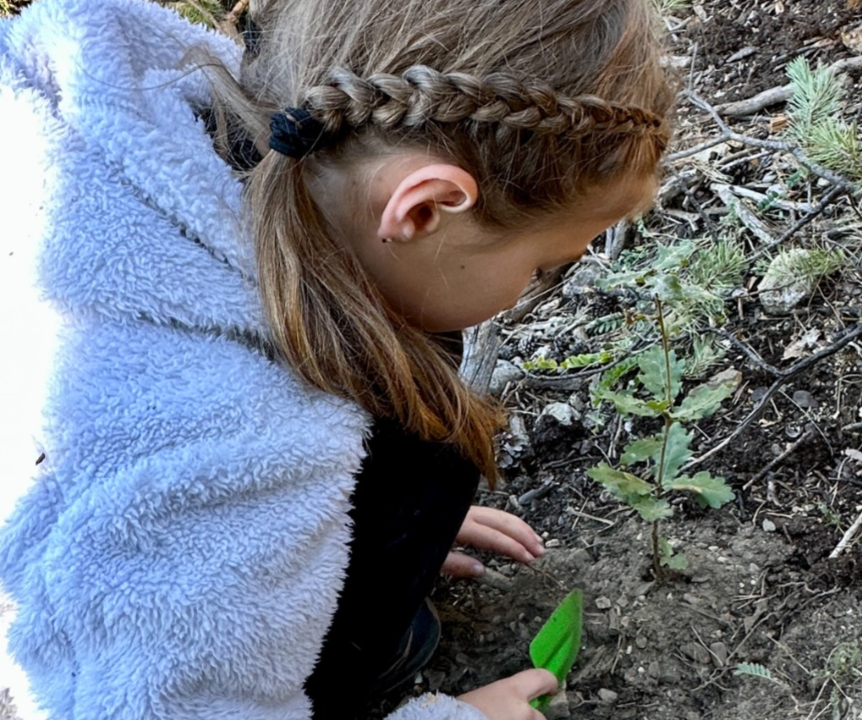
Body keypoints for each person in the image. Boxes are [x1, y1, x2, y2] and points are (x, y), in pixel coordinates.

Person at [0, 0, 674, 717]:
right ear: (420, 210)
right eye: (544, 265)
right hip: (77, 665)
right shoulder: (232, 445)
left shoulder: (144, 127)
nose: (531, 288)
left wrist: (346, 535)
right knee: (425, 435)